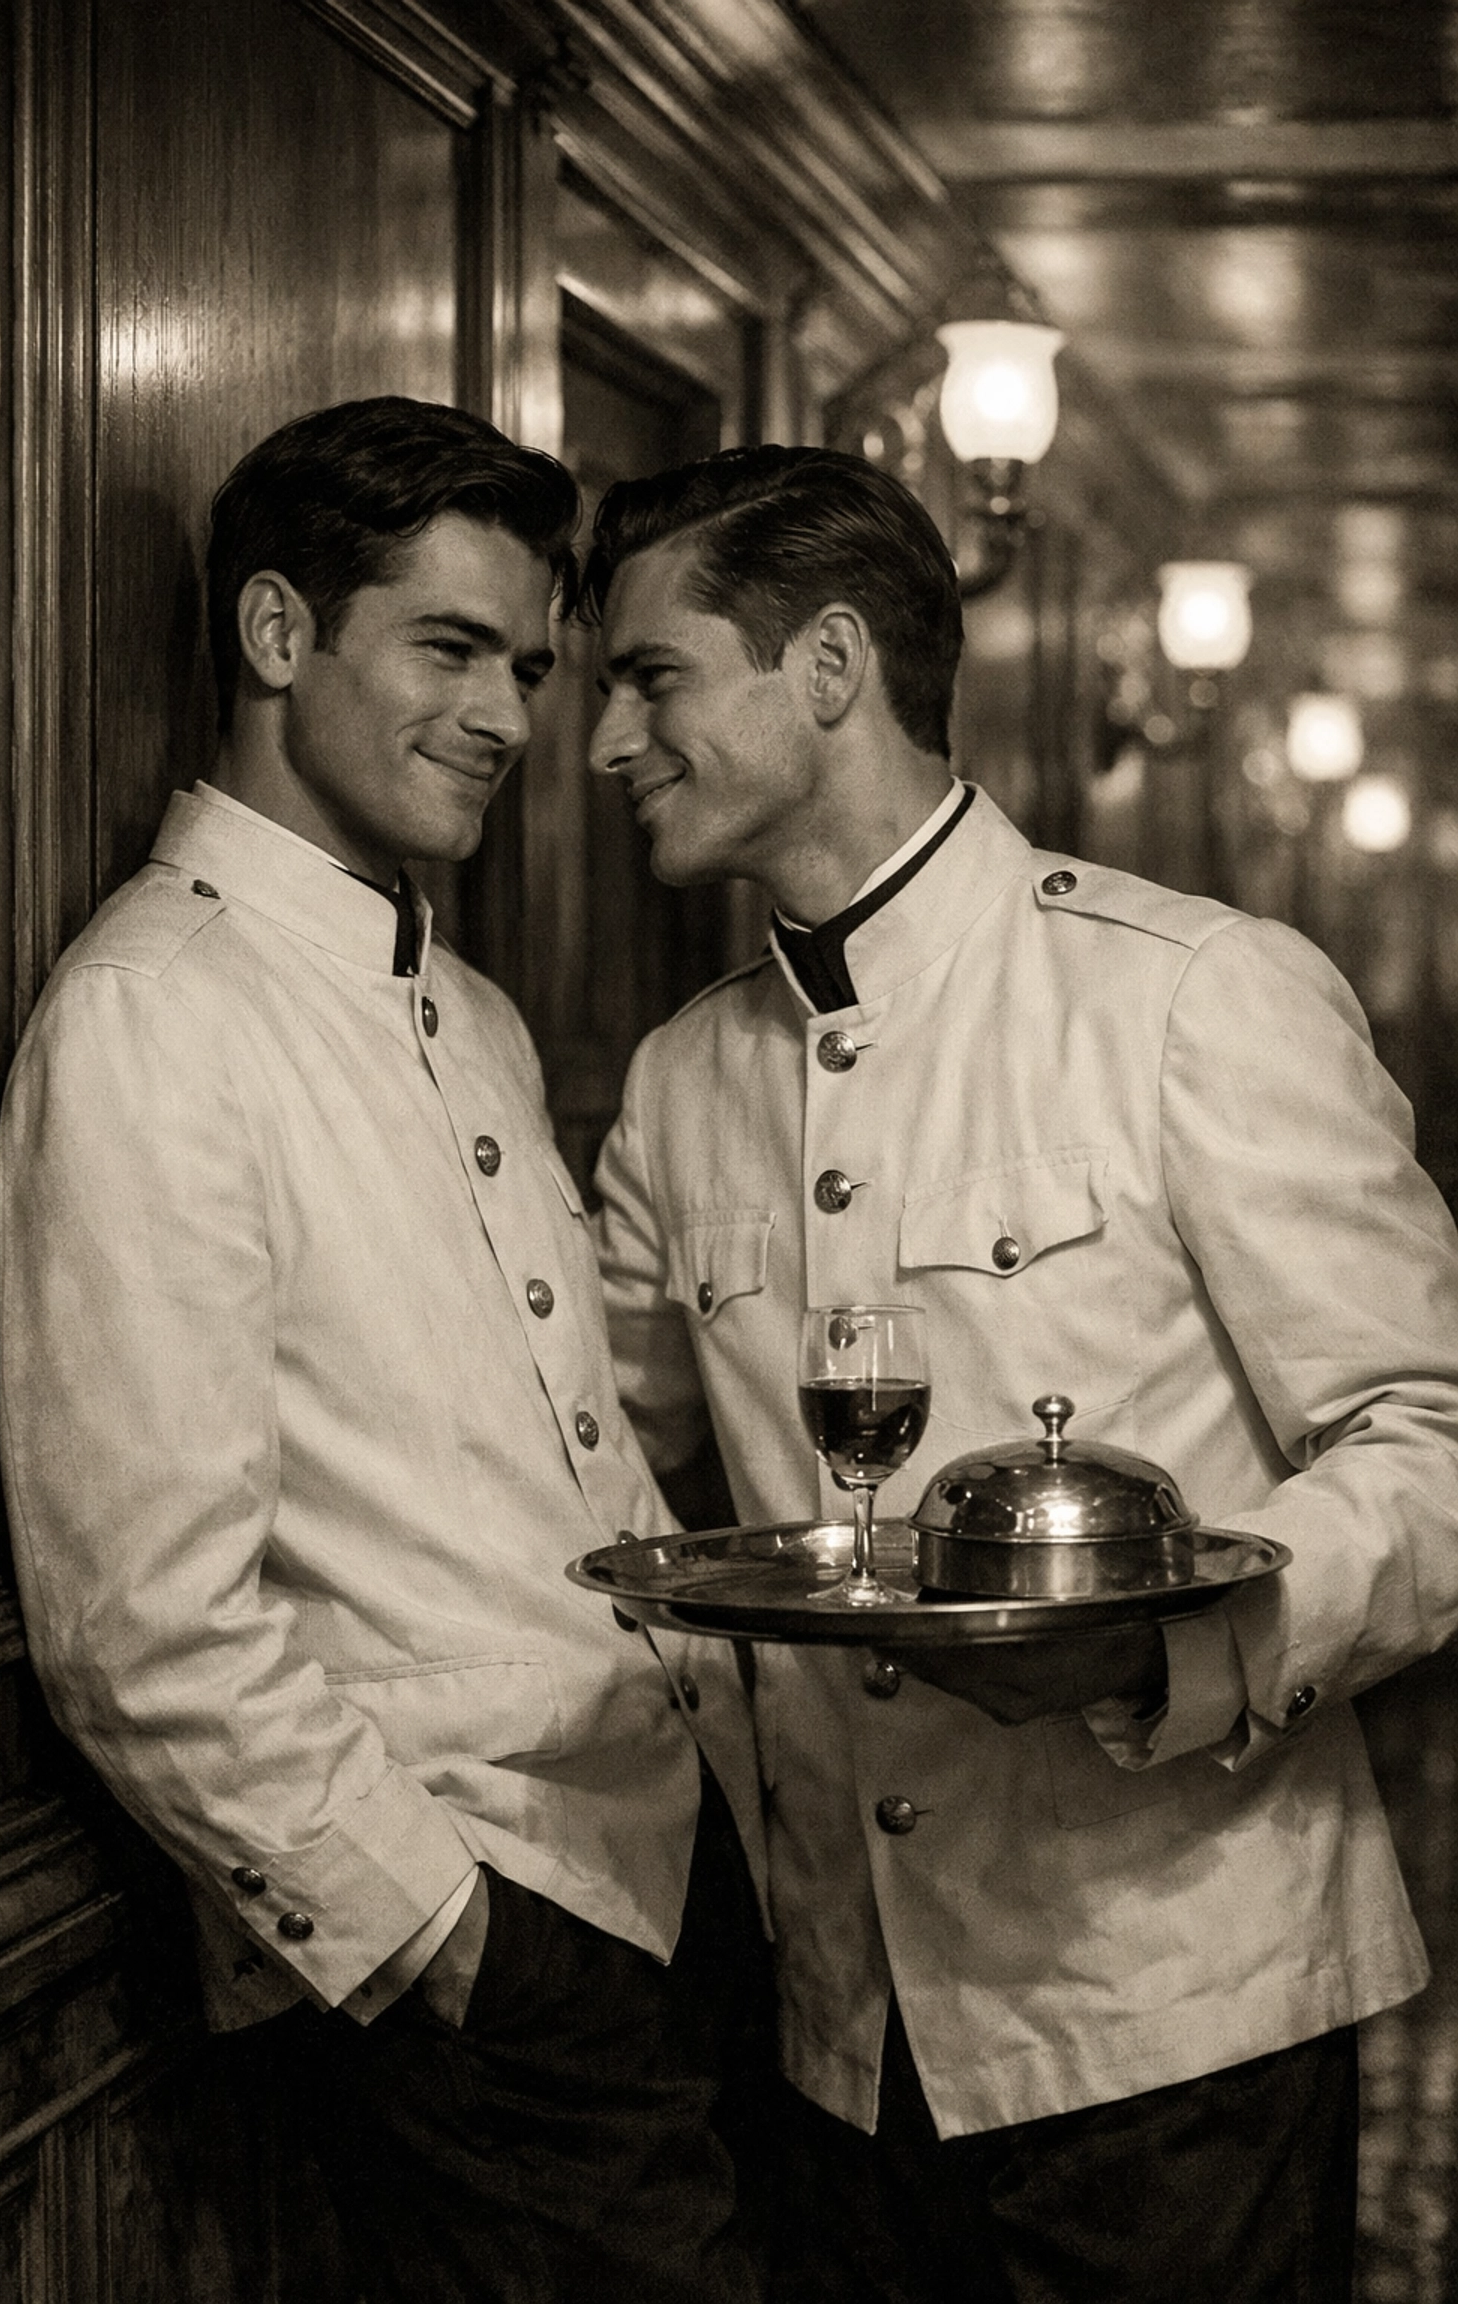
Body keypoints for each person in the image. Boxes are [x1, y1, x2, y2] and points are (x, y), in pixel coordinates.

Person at [580, 442, 1458, 2304]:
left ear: (825, 668)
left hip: (1171, 2018)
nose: (602, 743)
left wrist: (1176, 1645)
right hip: (836, 2028)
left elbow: (1431, 1441)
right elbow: (620, 1482)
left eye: (648, 677)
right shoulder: (678, 1081)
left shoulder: (1189, 990)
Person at [0, 398, 770, 2304]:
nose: (512, 715)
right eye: (449, 648)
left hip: (674, 1872)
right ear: (278, 637)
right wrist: (443, 1938)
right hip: (472, 1939)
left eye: (525, 661)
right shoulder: (151, 1019)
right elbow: (140, 1620)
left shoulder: (478, 1010)